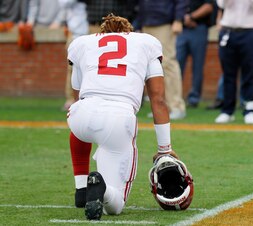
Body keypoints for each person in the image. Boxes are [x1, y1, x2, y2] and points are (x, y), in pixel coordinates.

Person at [66, 13, 179, 220]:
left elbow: (78, 97)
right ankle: (103, 188)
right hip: (118, 118)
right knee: (115, 204)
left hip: (80, 116)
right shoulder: (146, 43)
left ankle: (81, 189)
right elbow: (158, 99)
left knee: (82, 122)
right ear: (129, 31)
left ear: (102, 32)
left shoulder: (83, 43)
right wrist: (165, 149)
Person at [214, 0, 253, 125]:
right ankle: (227, 111)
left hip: (250, 31)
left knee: (249, 72)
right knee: (228, 74)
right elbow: (221, 4)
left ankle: (250, 109)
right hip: (228, 30)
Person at [136, 0, 187, 120]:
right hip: (146, 23)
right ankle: (161, 107)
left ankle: (176, 106)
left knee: (168, 63)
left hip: (164, 24)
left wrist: (178, 19)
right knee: (151, 67)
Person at [176, 0, 214, 108]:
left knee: (197, 66)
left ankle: (194, 99)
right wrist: (183, 19)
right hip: (181, 28)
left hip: (199, 27)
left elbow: (208, 6)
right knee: (176, 65)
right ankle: (174, 98)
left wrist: (191, 17)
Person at [59, 0, 89, 111]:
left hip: (88, 32)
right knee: (72, 68)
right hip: (75, 34)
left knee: (89, 68)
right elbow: (62, 3)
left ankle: (86, 98)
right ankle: (71, 99)